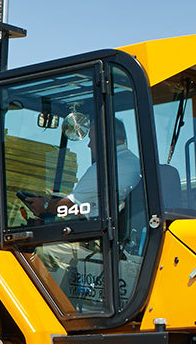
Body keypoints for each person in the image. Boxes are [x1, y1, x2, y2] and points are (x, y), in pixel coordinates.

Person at [31, 118, 139, 312]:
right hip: (112, 233)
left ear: (106, 137)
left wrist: (44, 205)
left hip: (101, 238)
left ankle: (50, 310)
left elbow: (71, 204)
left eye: (92, 138)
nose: (88, 144)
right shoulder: (131, 163)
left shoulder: (108, 166)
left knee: (45, 252)